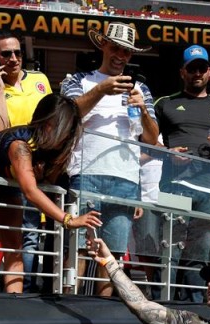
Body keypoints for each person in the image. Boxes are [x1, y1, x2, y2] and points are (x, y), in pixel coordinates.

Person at [0, 94, 101, 293]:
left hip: (5, 183)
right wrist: (68, 220)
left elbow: (44, 182)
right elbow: (30, 191)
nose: (67, 135)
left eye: (70, 130)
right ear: (46, 123)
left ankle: (15, 302)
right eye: (62, 128)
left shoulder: (56, 149)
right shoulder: (20, 144)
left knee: (14, 242)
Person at [61, 22, 159, 296]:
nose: (121, 56)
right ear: (102, 45)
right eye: (116, 47)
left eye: (127, 52)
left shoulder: (141, 89)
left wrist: (143, 112)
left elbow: (152, 139)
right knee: (78, 247)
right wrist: (101, 90)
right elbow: (68, 116)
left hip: (125, 179)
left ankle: (101, 311)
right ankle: (69, 305)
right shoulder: (77, 80)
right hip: (85, 173)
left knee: (112, 255)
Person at [154, 44, 210, 302]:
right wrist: (168, 152)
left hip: (208, 193)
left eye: (202, 68)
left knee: (200, 254)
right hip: (173, 187)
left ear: (209, 72)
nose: (197, 73)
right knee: (169, 251)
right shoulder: (165, 103)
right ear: (183, 72)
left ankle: (195, 308)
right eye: (192, 68)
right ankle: (163, 304)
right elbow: (146, 142)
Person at [0, 31, 53, 292]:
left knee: (44, 235)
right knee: (26, 235)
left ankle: (41, 290)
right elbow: (0, 130)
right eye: (6, 54)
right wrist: (0, 89)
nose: (13, 58)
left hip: (44, 169)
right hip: (14, 171)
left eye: (17, 53)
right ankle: (24, 291)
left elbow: (52, 121)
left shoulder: (40, 80)